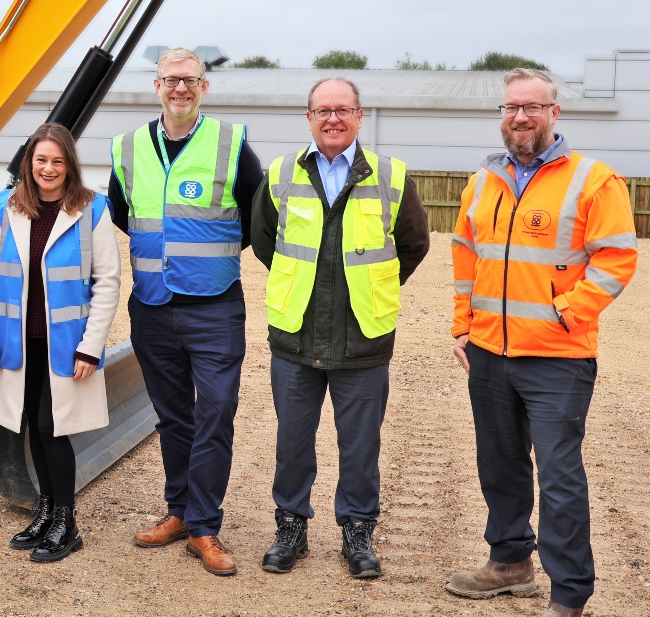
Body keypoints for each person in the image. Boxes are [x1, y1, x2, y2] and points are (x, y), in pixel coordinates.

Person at [446, 69, 638, 617]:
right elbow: (465, 257)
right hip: (489, 351)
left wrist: (567, 313)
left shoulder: (593, 180)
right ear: (502, 115)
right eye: (511, 107)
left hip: (558, 356)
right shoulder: (483, 181)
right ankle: (509, 563)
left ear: (556, 112)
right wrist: (463, 325)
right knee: (500, 465)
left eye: (533, 106)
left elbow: (617, 257)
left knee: (559, 477)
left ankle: (570, 593)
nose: (521, 116)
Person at [250, 77, 430, 577]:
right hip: (295, 336)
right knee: (292, 441)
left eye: (342, 110)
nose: (333, 119)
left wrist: (373, 288)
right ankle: (291, 528)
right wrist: (300, 282)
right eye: (323, 110)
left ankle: (357, 532)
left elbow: (414, 244)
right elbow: (264, 239)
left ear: (359, 116)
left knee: (360, 446)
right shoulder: (282, 173)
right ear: (309, 117)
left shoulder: (391, 176)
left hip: (363, 339)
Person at [109, 47, 263, 576]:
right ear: (156, 86)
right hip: (152, 306)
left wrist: (204, 255)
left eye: (190, 80)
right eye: (171, 80)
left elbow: (254, 214)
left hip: (215, 305)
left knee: (215, 411)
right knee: (173, 416)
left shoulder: (231, 144)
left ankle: (205, 526)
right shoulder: (127, 149)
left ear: (204, 88)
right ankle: (179, 512)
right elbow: (121, 213)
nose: (180, 88)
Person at [0, 123, 121, 563]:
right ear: (29, 163)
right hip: (19, 341)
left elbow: (108, 283)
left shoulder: (91, 210)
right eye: (41, 160)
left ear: (69, 165)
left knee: (50, 428)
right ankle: (46, 511)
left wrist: (91, 347)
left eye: (58, 161)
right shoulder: (8, 207)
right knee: (29, 425)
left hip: (66, 344)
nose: (49, 169)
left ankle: (67, 522)